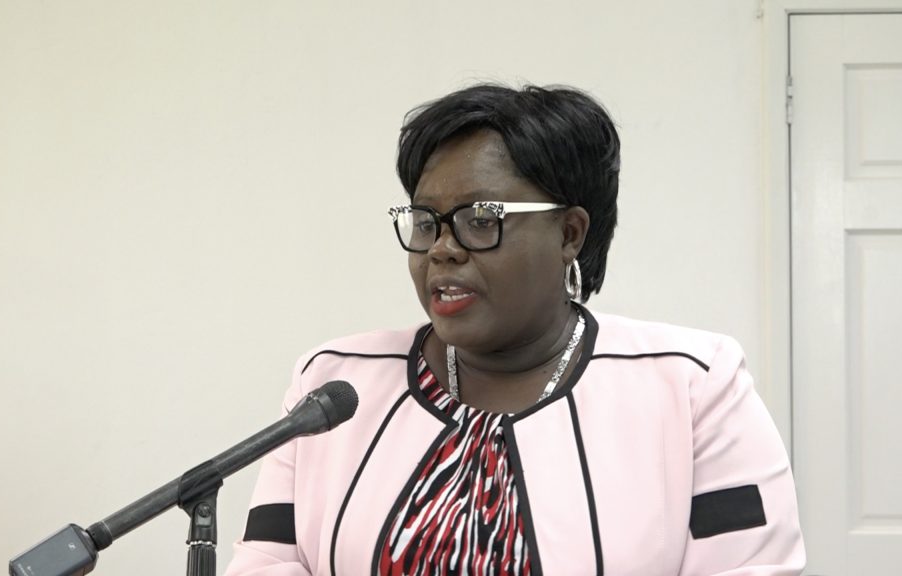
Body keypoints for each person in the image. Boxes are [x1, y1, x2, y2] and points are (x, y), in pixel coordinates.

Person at [225, 84, 805, 575]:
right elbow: (269, 563)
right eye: (427, 222)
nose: (443, 249)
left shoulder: (692, 385)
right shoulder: (334, 384)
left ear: (569, 234)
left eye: (482, 220)